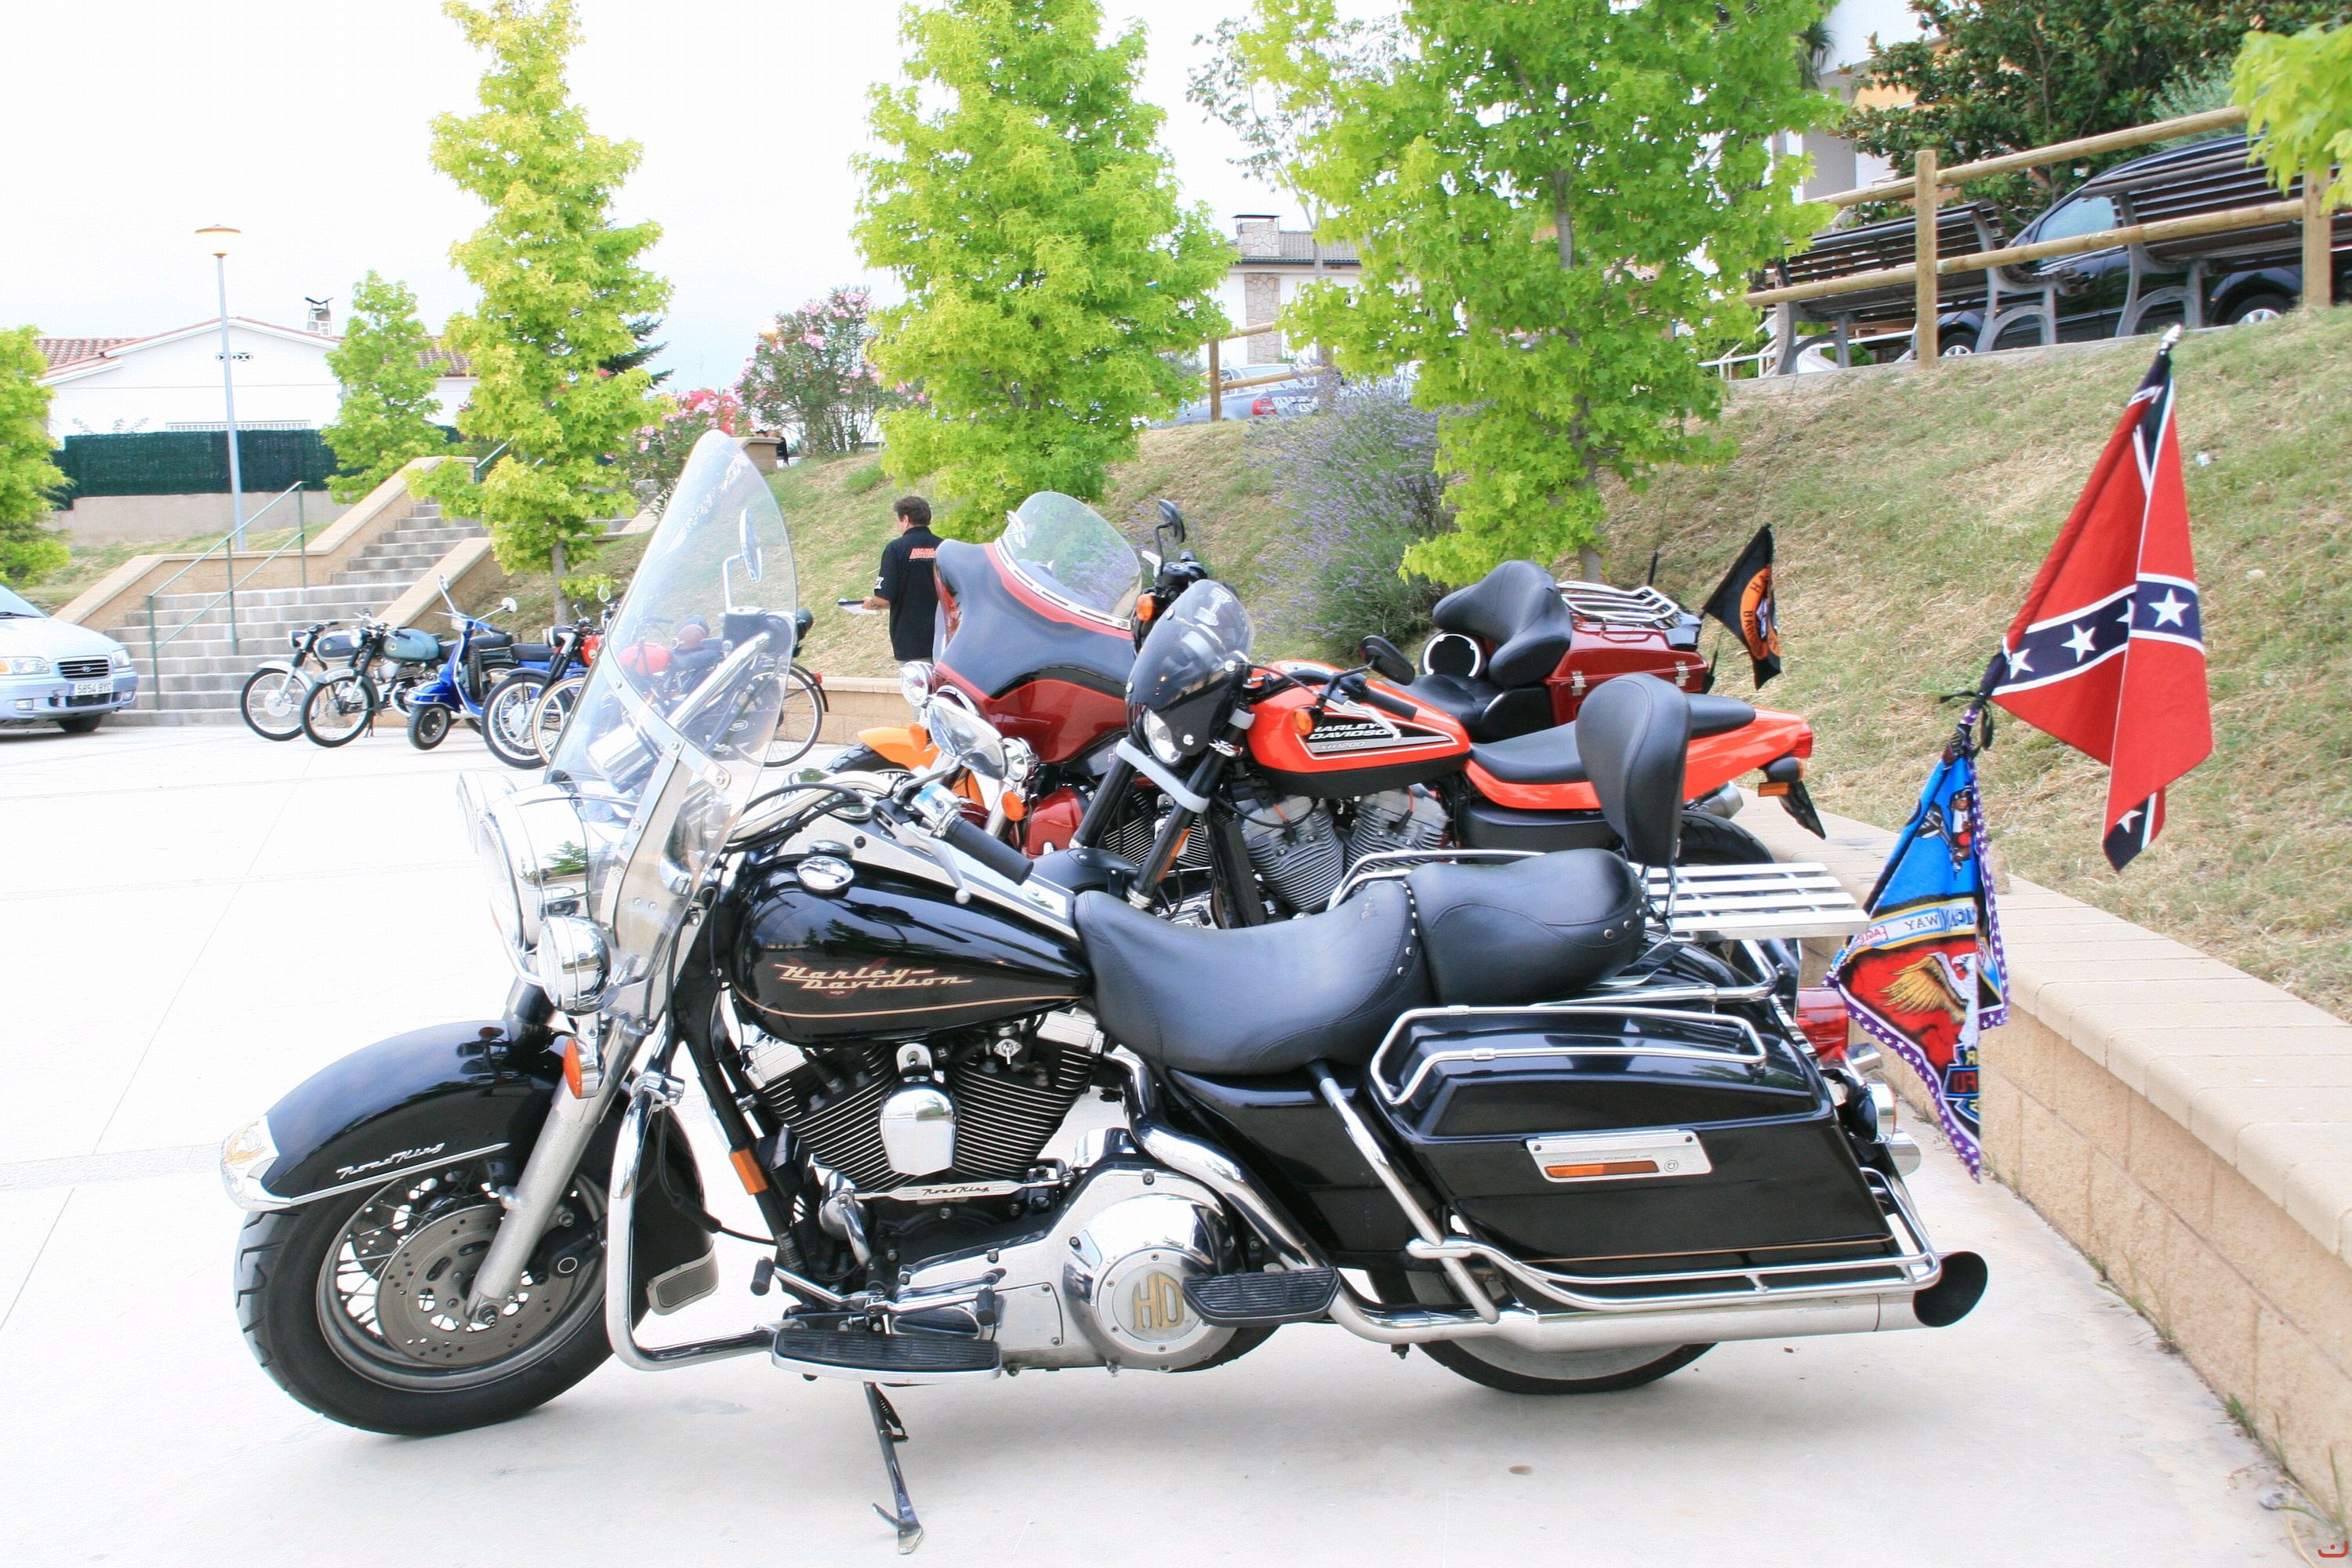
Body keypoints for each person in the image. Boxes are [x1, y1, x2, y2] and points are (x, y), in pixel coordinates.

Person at [864, 495, 941, 674]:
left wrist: (871, 603)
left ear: (905, 519)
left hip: (910, 640)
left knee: (919, 689)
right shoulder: (944, 546)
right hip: (944, 637)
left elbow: (884, 598)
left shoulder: (896, 549)